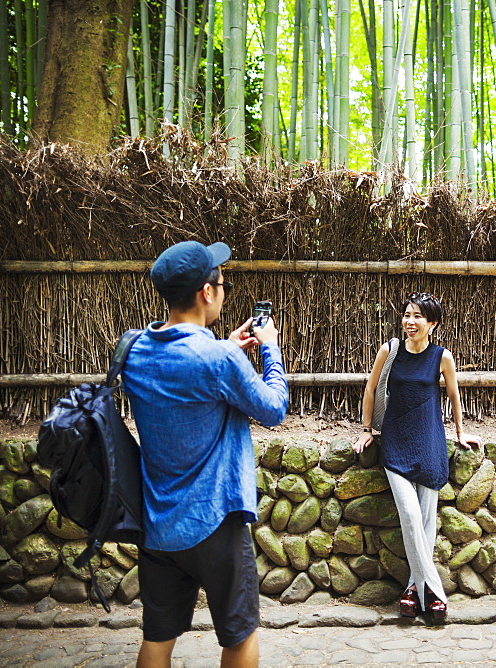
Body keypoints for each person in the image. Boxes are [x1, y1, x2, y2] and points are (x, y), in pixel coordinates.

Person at [121, 240, 289, 668]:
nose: (224, 288)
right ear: (207, 292)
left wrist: (225, 348)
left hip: (158, 525)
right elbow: (273, 409)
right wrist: (269, 348)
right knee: (239, 636)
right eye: (222, 281)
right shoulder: (217, 359)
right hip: (215, 521)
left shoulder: (132, 349)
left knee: (157, 639)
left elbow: (182, 369)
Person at [352, 292, 480, 624]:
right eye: (407, 315)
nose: (410, 321)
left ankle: (412, 590)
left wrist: (460, 432)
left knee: (425, 525)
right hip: (395, 442)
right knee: (409, 517)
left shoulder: (442, 357)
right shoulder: (390, 350)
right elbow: (370, 389)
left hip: (430, 443)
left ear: (432, 323)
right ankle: (435, 594)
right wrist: (367, 428)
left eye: (418, 317)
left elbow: (454, 394)